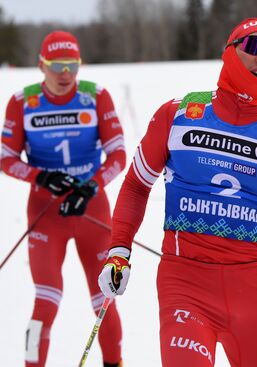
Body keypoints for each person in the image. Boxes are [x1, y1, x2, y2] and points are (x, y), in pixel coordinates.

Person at [97, 17, 257, 366]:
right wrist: (118, 251)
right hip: (185, 282)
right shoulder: (178, 114)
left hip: (251, 285)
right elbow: (136, 184)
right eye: (254, 46)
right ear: (229, 52)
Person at [0, 30, 126, 366]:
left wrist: (90, 186)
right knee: (45, 300)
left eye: (72, 65)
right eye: (57, 66)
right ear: (41, 65)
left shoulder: (96, 96)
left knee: (104, 300)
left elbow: (118, 155)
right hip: (46, 213)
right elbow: (6, 158)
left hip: (92, 211)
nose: (65, 74)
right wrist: (42, 176)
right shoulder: (21, 101)